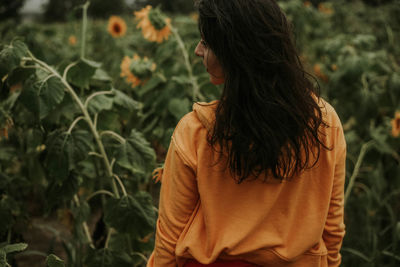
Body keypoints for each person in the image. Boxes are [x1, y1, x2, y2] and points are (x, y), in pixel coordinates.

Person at [146, 0, 346, 266]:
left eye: (206, 42)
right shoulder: (325, 123)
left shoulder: (195, 132)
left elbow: (168, 244)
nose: (197, 50)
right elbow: (331, 231)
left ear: (234, 52)